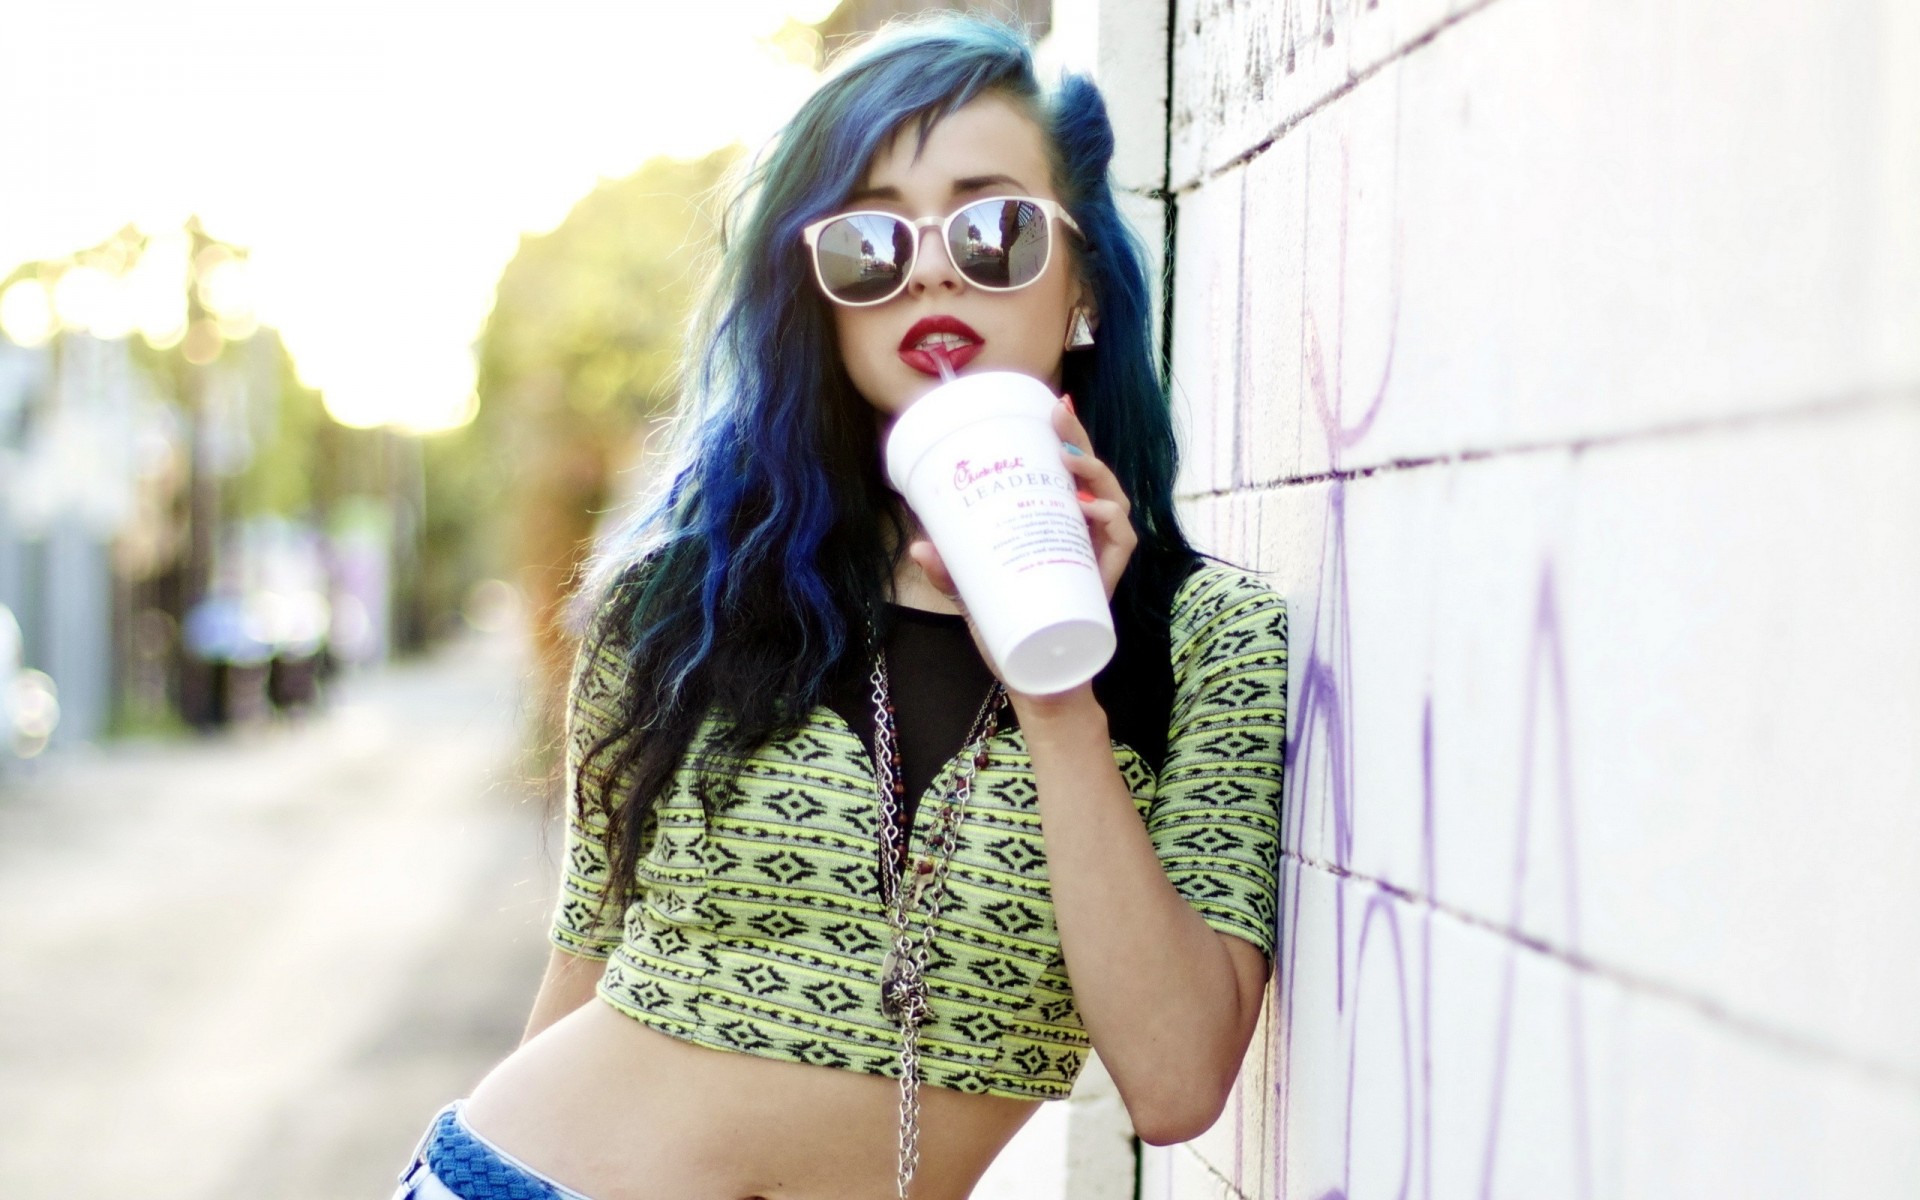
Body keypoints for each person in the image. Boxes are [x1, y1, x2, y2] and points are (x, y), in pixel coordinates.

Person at [392, 14, 1288, 1200]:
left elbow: (1177, 1086)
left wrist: (1058, 696)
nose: (926, 268)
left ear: (1080, 284)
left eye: (993, 227)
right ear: (819, 302)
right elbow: (587, 973)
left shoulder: (1209, 642)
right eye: (868, 242)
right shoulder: (682, 609)